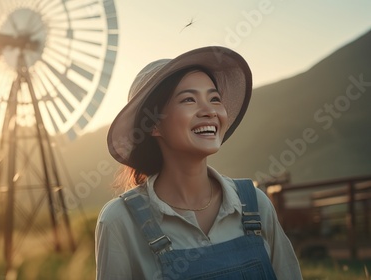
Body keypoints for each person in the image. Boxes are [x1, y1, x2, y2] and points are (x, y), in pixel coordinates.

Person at [95, 46, 302, 279]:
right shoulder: (120, 221)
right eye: (189, 99)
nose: (210, 111)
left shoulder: (255, 206)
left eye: (214, 98)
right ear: (153, 124)